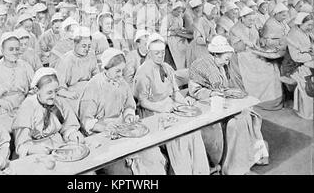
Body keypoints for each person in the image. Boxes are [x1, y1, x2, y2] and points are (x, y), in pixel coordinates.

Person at [188, 35, 269, 175]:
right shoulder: (202, 66)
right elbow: (194, 91)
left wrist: (227, 93)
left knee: (248, 117)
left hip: (220, 103)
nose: (227, 63)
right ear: (216, 55)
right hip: (203, 105)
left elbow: (223, 87)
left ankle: (248, 160)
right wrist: (212, 93)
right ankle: (233, 167)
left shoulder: (220, 65)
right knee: (235, 124)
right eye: (225, 59)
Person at [79, 48, 167, 175]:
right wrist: (105, 127)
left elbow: (129, 105)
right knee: (121, 171)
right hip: (102, 133)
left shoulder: (122, 83)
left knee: (153, 156)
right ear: (106, 69)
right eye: (117, 71)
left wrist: (129, 116)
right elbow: (87, 121)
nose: (121, 75)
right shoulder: (94, 86)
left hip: (124, 128)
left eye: (122, 71)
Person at [133, 34, 210, 175]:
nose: (160, 56)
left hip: (170, 107)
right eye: (156, 53)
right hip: (151, 112)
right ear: (149, 52)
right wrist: (161, 108)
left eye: (162, 52)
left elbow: (175, 92)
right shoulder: (143, 72)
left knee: (193, 132)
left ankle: (199, 171)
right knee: (179, 136)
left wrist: (184, 100)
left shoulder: (167, 67)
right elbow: (142, 102)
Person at [12, 68, 84, 157]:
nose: (53, 96)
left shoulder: (59, 102)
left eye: (56, 91)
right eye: (49, 92)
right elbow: (22, 143)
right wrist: (32, 149)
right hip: (37, 151)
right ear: (36, 90)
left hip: (59, 145)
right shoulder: (27, 107)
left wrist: (72, 134)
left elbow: (68, 126)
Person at [229, 7, 283, 110]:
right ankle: (262, 101)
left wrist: (260, 42)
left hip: (254, 54)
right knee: (267, 72)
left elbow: (256, 40)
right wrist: (246, 44)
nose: (252, 22)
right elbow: (236, 48)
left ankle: (274, 101)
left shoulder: (252, 25)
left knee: (273, 66)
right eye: (249, 20)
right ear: (242, 18)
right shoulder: (235, 30)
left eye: (253, 20)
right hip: (243, 57)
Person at [0, 32, 34, 131]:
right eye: (11, 49)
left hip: (23, 108)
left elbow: (34, 88)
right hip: (2, 111)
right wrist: (1, 102)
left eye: (17, 49)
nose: (15, 52)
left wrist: (28, 101)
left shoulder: (25, 66)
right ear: (2, 50)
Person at [55, 27, 99, 113]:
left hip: (90, 89)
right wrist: (68, 94)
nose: (86, 49)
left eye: (89, 46)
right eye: (83, 46)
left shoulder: (91, 56)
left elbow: (96, 75)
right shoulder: (67, 60)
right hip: (73, 93)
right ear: (75, 43)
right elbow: (59, 86)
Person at [282, 13, 314, 119]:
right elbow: (296, 57)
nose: (310, 27)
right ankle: (307, 112)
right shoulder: (293, 34)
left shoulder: (306, 31)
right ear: (301, 23)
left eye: (311, 25)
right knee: (308, 82)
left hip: (305, 62)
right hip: (293, 66)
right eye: (308, 25)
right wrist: (310, 55)